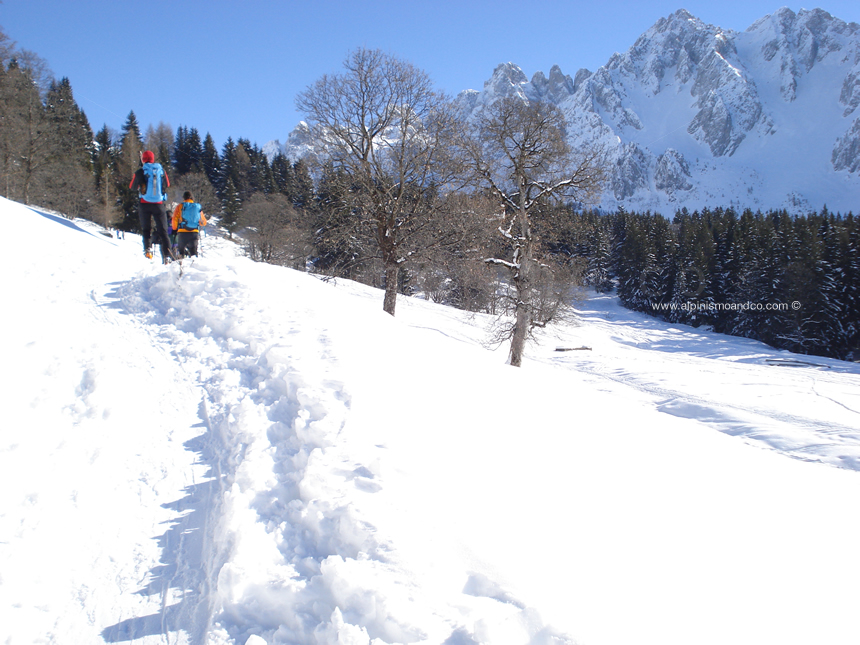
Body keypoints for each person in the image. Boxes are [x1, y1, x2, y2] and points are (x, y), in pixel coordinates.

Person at [129, 150, 175, 261]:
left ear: (143, 159)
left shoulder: (141, 171)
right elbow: (167, 184)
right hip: (158, 204)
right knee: (163, 231)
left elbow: (132, 187)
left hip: (144, 204)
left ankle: (148, 249)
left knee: (146, 229)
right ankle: (167, 256)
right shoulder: (161, 170)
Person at [171, 191, 208, 258]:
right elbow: (203, 222)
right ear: (192, 198)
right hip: (194, 232)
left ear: (184, 198)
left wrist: (174, 229)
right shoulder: (197, 207)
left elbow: (174, 218)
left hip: (182, 232)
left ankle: (180, 266)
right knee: (193, 252)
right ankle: (194, 265)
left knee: (181, 252)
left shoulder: (180, 206)